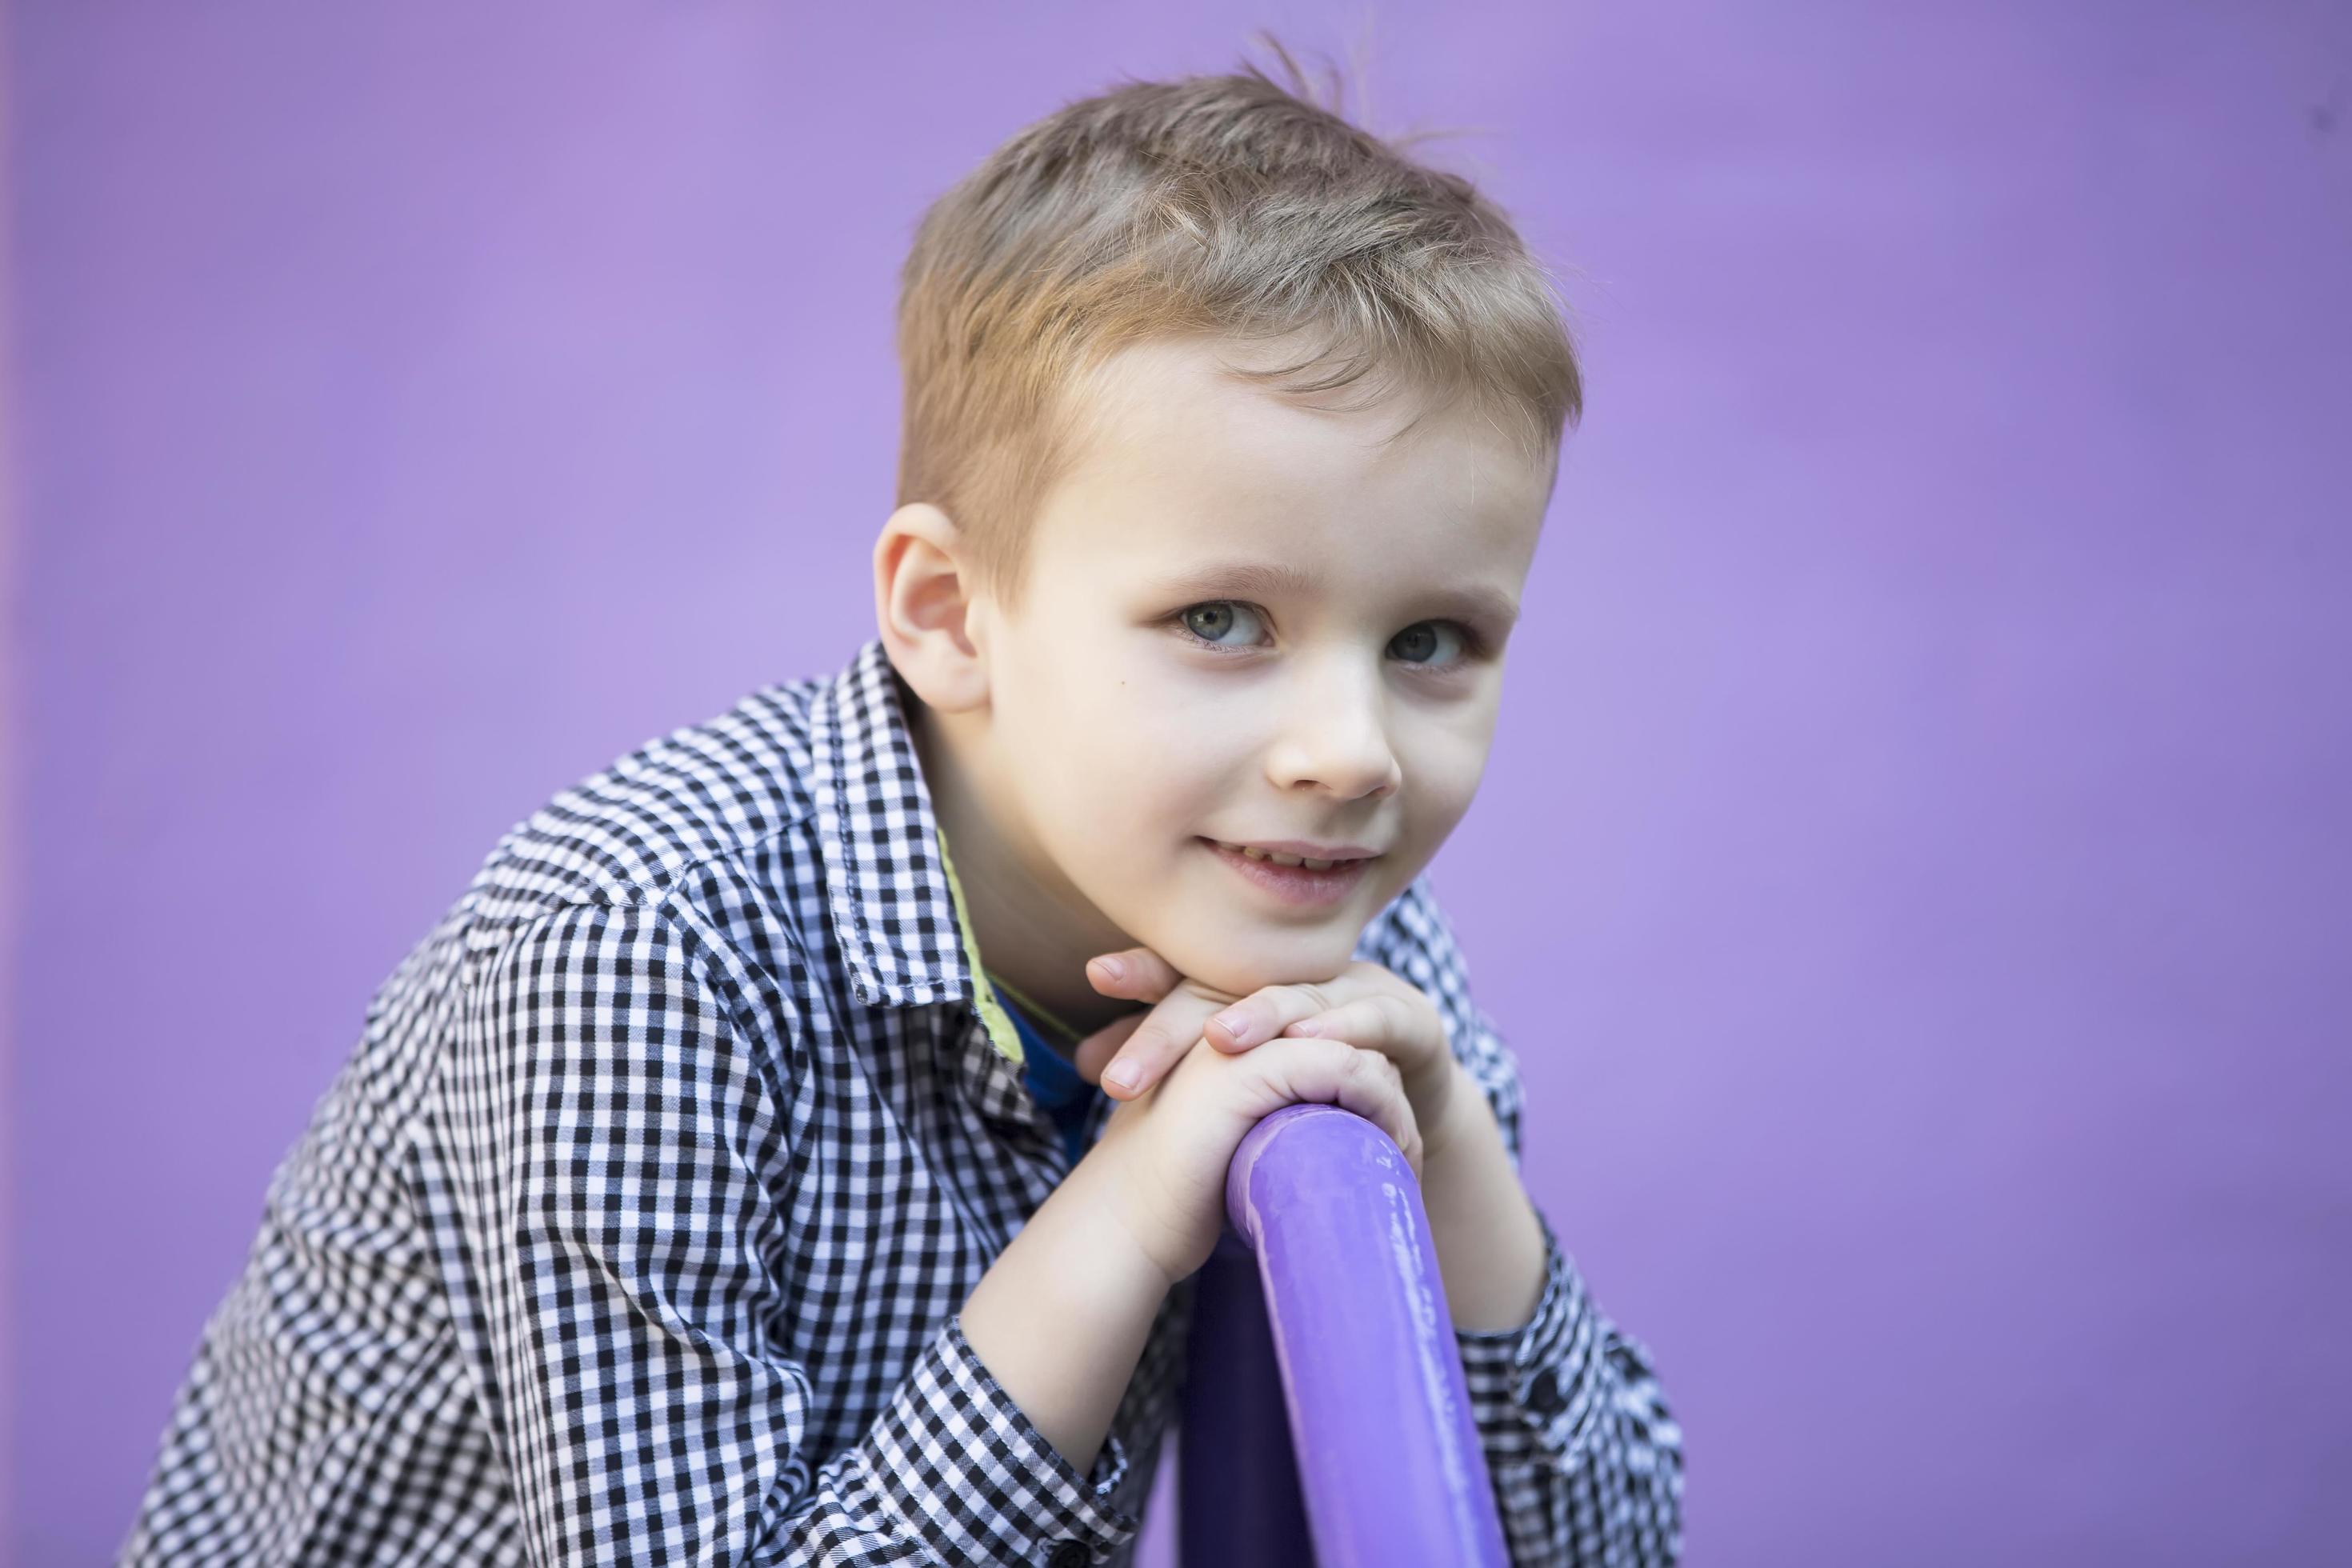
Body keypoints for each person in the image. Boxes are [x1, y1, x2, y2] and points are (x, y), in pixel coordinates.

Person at [119, 38, 1684, 1568]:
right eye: (1221, 619)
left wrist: (1457, 1146)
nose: (1351, 752)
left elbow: (1596, 1546)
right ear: (947, 612)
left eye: (1431, 642)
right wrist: (1128, 1209)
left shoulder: (1345, 938)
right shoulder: (638, 939)